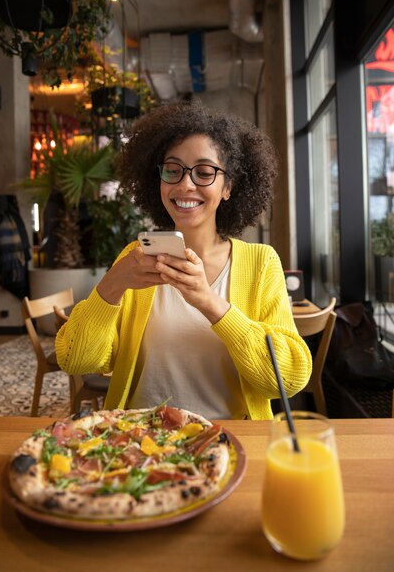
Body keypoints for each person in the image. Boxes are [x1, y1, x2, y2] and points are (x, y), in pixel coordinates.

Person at [55, 101, 312, 420]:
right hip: (140, 441)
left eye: (204, 172)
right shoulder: (134, 260)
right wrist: (113, 283)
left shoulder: (260, 263)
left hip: (228, 444)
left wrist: (209, 302)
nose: (185, 184)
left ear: (228, 187)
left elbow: (288, 379)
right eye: (172, 170)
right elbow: (75, 360)